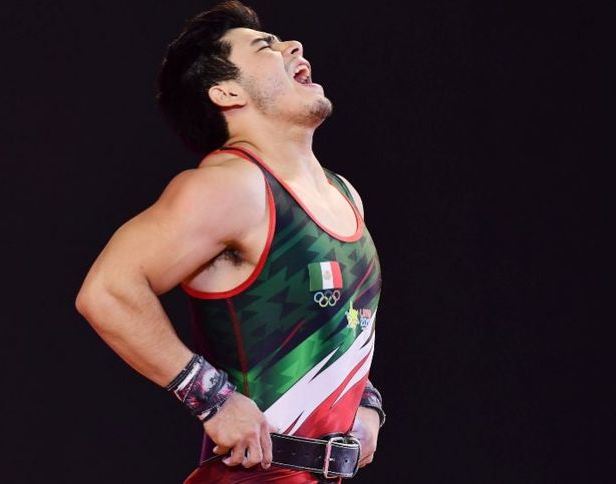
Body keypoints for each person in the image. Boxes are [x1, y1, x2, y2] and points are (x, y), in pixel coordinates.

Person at [75, 1, 385, 482]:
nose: (294, 46)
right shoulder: (232, 187)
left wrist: (365, 400)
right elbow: (107, 291)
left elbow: (337, 323)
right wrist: (212, 398)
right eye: (266, 47)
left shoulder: (343, 194)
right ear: (226, 92)